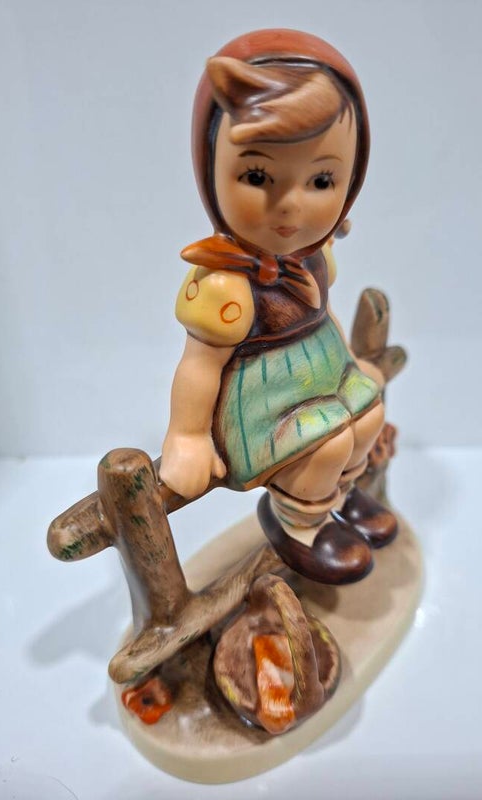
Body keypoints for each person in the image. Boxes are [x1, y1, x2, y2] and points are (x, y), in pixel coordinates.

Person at [160, 29, 397, 584]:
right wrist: (187, 437)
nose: (291, 206)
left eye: (321, 179)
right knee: (329, 442)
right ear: (211, 170)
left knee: (368, 415)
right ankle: (299, 521)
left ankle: (341, 494)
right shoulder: (226, 283)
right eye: (258, 177)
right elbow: (199, 366)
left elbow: (323, 315)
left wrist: (348, 364)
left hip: (321, 372)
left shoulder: (316, 256)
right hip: (264, 401)